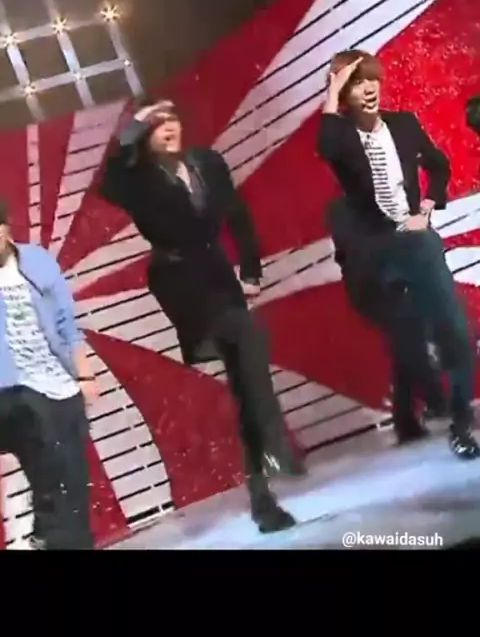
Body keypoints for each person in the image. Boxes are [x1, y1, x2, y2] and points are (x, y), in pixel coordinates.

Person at [98, 98, 304, 534]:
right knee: (245, 335)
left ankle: (263, 497)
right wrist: (131, 129)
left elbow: (237, 215)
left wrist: (251, 270)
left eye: (172, 119)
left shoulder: (207, 163)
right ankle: (276, 445)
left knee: (247, 383)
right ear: (144, 136)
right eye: (156, 124)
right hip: (178, 281)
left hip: (218, 275)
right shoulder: (136, 179)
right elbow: (108, 183)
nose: (168, 128)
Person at [317, 50, 479, 459]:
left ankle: (460, 420)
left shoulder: (404, 124)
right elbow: (325, 143)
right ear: (344, 94)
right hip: (371, 250)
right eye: (357, 83)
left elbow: (438, 165)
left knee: (454, 331)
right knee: (406, 336)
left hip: (411, 237)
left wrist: (427, 207)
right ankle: (431, 408)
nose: (368, 89)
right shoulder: (341, 135)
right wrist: (334, 90)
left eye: (372, 79)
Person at [0, 200, 97, 549]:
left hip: (59, 384)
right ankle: (54, 536)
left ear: (5, 229)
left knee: (74, 482)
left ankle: (55, 536)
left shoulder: (37, 261)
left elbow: (67, 323)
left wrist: (84, 375)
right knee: (50, 468)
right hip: (12, 393)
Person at [329, 196, 448, 444]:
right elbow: (363, 252)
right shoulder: (351, 207)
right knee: (409, 343)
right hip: (379, 286)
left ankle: (408, 419)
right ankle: (437, 403)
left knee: (405, 345)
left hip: (385, 282)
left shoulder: (352, 205)